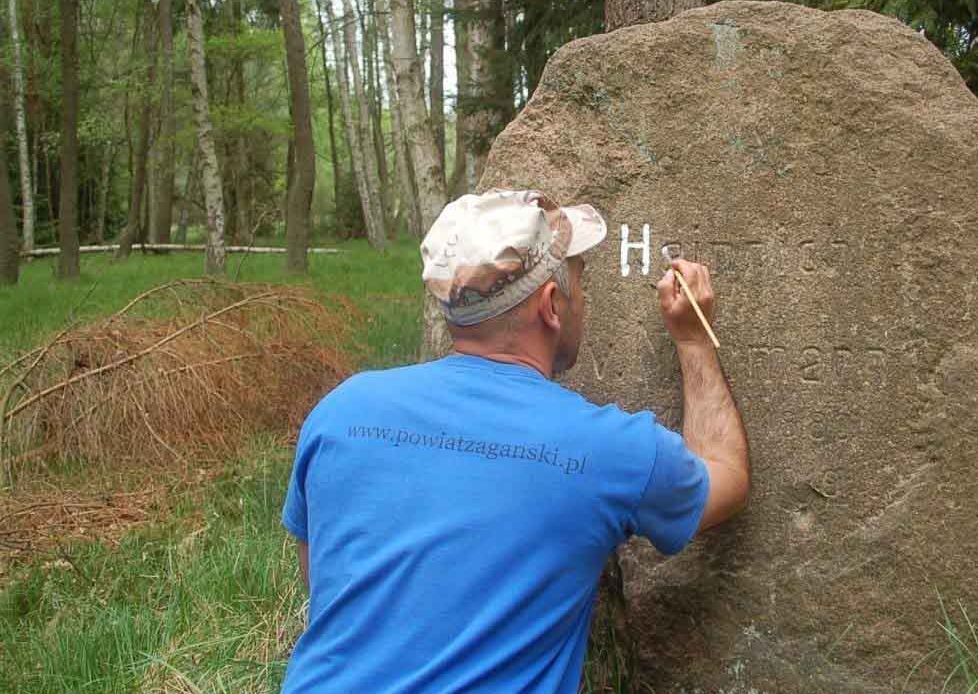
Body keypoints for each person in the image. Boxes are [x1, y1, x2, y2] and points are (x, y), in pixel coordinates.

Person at [280, 188, 749, 693]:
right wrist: (693, 338)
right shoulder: (608, 450)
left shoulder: (341, 412)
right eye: (580, 284)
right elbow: (726, 472)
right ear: (552, 305)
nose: (584, 301)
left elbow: (326, 588)